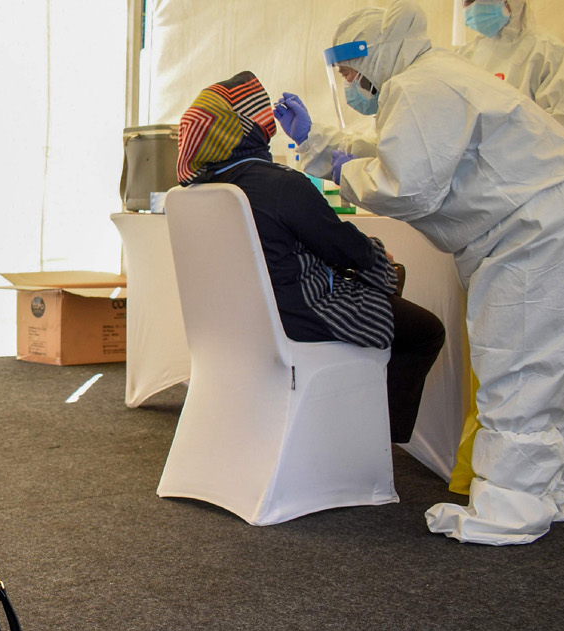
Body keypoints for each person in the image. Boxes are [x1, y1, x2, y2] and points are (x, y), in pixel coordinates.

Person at [274, 0, 564, 545]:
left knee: (521, 363)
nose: (349, 85)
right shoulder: (436, 76)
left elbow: (405, 184)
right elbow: (402, 149)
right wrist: (319, 145)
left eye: (349, 73)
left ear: (375, 56)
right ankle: (550, 489)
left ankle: (509, 508)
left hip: (536, 232)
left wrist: (344, 170)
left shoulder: (417, 86)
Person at [177, 72, 444, 447]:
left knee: (373, 277)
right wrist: (374, 252)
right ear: (255, 127)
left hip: (235, 324)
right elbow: (342, 248)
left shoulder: (197, 191)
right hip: (298, 317)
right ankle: (376, 445)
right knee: (425, 329)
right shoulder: (281, 183)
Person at [453, 0, 564, 138]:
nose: (477, 6)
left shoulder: (548, 52)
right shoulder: (462, 57)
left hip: (527, 167)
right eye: (470, 1)